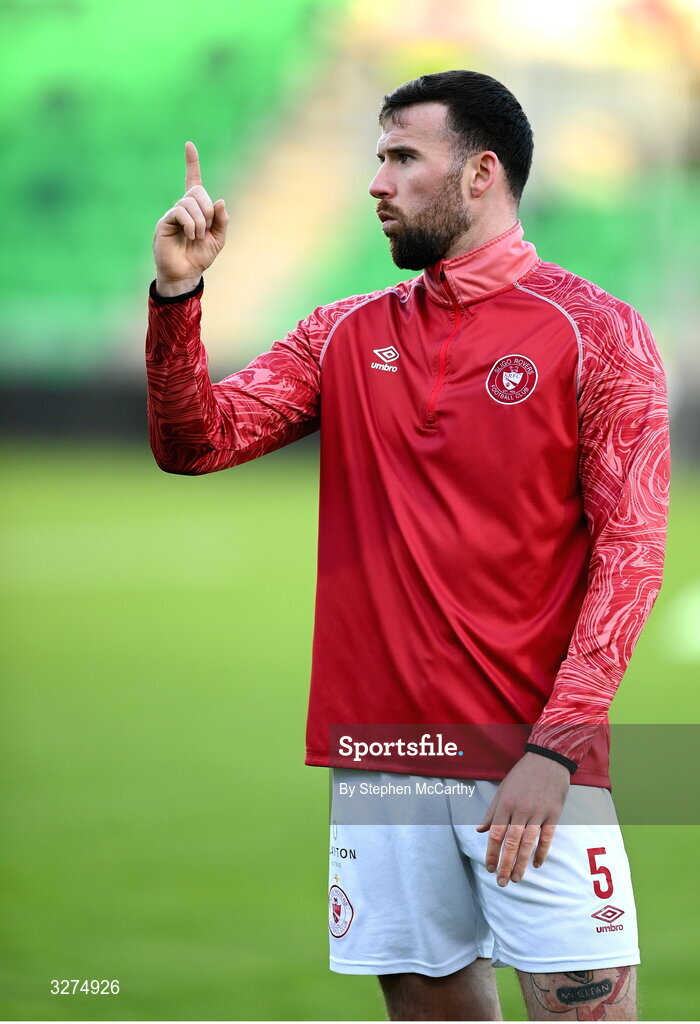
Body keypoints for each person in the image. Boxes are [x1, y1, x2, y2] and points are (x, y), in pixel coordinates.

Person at [146, 70, 669, 1021]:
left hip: (529, 759)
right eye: (375, 158)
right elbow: (197, 443)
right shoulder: (340, 333)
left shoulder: (599, 333)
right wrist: (179, 297)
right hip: (380, 755)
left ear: (478, 174)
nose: (376, 182)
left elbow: (631, 552)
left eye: (400, 158)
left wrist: (554, 748)